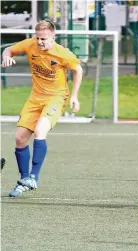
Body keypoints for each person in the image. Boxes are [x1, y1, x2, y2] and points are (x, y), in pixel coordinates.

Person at [1, 20, 83, 197]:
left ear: (53, 36)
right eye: (38, 38)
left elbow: (78, 70)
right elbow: (9, 50)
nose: (39, 42)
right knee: (20, 139)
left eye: (44, 38)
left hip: (55, 98)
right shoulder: (30, 44)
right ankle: (24, 181)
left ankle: (34, 177)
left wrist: (74, 96)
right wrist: (6, 56)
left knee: (40, 130)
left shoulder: (62, 53)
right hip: (34, 99)